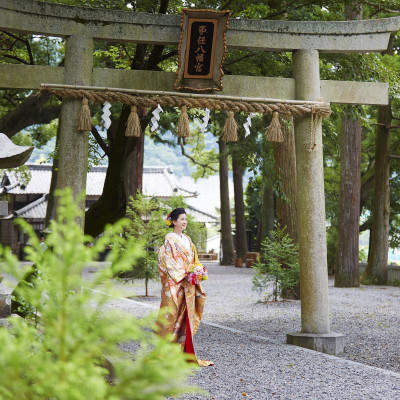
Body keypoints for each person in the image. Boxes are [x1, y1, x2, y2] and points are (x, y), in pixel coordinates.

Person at [155, 207, 213, 367]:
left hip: (188, 282)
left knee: (187, 316)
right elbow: (167, 260)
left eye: (186, 219)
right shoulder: (169, 239)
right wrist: (183, 273)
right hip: (176, 282)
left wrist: (197, 270)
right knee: (173, 315)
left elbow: (194, 259)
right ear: (174, 221)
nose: (184, 222)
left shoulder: (187, 239)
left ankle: (183, 352)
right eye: (182, 219)